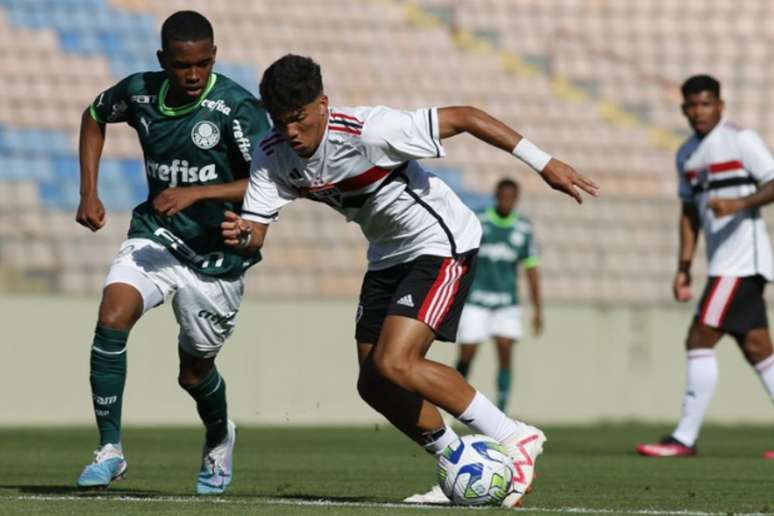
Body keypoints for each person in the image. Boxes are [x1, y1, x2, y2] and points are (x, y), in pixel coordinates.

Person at [222, 54, 598, 505]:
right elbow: (256, 235)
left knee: (397, 362)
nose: (291, 133)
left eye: (298, 120)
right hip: (386, 256)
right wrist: (243, 235)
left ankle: (515, 436)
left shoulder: (369, 130)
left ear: (322, 104)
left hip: (441, 241)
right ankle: (456, 463)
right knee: (374, 382)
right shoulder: (271, 155)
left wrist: (544, 163)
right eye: (280, 122)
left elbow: (466, 117)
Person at [74, 11, 271, 492]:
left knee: (194, 372)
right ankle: (110, 449)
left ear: (214, 58)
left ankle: (220, 435)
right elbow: (95, 115)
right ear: (164, 60)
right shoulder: (139, 92)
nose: (193, 75)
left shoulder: (236, 109)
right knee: (113, 313)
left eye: (203, 64)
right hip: (156, 235)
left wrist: (200, 195)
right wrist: (88, 192)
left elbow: (271, 179)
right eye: (184, 65)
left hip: (217, 257)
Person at [636, 75, 774, 459]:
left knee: (699, 337)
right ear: (683, 109)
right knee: (758, 348)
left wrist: (739, 203)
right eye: (692, 106)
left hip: (743, 262)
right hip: (721, 263)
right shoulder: (686, 154)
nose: (699, 112)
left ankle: (684, 437)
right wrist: (683, 265)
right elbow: (688, 214)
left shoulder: (740, 139)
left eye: (706, 104)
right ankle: (684, 437)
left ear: (720, 105)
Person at [455, 178, 543, 412]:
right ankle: (452, 402)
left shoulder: (523, 228)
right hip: (477, 300)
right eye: (503, 197)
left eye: (511, 198)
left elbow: (531, 268)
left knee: (505, 349)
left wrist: (538, 310)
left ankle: (501, 408)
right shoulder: (480, 221)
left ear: (516, 199)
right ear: (496, 196)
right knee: (468, 351)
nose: (506, 202)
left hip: (506, 303)